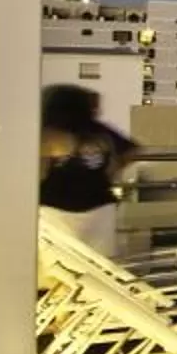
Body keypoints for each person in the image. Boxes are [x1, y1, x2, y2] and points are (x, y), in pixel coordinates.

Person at [41, 84, 138, 259]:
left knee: (58, 264)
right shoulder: (99, 132)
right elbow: (131, 151)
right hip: (99, 207)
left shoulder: (46, 133)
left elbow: (40, 170)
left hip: (54, 209)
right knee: (99, 267)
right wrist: (109, 173)